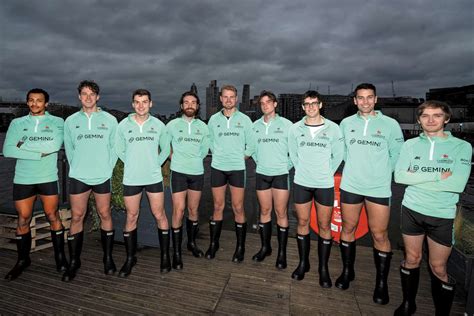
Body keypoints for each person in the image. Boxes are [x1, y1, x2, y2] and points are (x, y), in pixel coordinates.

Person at [394, 101, 472, 315]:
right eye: (425, 116)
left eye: (436, 115)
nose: (430, 120)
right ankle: (408, 304)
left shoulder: (462, 147)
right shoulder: (410, 145)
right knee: (412, 259)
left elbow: (457, 184)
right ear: (419, 120)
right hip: (411, 210)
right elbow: (399, 176)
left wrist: (415, 177)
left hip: (442, 214)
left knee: (438, 267)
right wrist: (437, 176)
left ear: (446, 119)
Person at [337, 83, 404, 304]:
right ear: (354, 101)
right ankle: (348, 272)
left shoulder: (390, 124)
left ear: (375, 99)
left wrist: (381, 172)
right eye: (360, 98)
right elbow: (343, 152)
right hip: (351, 185)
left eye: (369, 97)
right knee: (348, 228)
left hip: (378, 188)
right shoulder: (346, 124)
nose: (365, 101)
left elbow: (397, 155)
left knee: (380, 235)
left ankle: (381, 283)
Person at [3, 88, 67, 280]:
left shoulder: (57, 122)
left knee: (52, 215)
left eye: (39, 101)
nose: (34, 104)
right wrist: (38, 153)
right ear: (27, 102)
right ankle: (23, 260)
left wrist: (23, 146)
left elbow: (54, 146)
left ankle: (60, 257)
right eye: (31, 100)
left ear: (46, 103)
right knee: (23, 218)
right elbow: (7, 150)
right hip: (23, 178)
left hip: (47, 177)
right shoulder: (17, 123)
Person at [62, 80, 118, 281]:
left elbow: (114, 148)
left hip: (102, 176)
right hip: (79, 176)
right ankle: (74, 261)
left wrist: (107, 168)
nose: (88, 97)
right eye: (84, 94)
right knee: (77, 217)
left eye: (92, 94)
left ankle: (108, 258)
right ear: (79, 96)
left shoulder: (110, 120)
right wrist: (77, 166)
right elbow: (69, 149)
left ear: (98, 97)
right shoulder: (70, 121)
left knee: (105, 214)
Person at [288, 90, 344, 283]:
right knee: (302, 224)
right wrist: (303, 169)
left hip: (324, 184)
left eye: (314, 103)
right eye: (307, 104)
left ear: (321, 105)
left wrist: (326, 172)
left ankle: (323, 268)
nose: (311, 107)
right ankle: (303, 263)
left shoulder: (334, 129)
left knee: (324, 226)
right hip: (302, 182)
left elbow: (338, 155)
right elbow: (293, 154)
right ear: (303, 107)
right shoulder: (295, 129)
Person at [115, 89, 171, 276]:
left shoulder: (158, 125)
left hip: (153, 177)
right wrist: (130, 162)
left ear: (150, 104)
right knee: (131, 216)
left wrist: (156, 163)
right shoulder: (123, 125)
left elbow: (165, 148)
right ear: (132, 104)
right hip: (132, 178)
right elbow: (118, 148)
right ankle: (130, 258)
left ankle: (165, 256)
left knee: (159, 214)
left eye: (144, 102)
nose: (141, 105)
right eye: (137, 102)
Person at [206, 84, 255, 262]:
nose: (228, 100)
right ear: (220, 99)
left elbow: (252, 144)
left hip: (237, 169)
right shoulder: (213, 120)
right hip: (218, 167)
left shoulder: (245, 120)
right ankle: (213, 244)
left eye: (231, 97)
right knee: (218, 206)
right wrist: (218, 152)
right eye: (225, 97)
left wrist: (241, 157)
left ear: (236, 99)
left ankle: (240, 247)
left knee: (238, 207)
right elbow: (209, 141)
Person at [166, 91, 210, 269]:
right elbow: (163, 144)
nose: (190, 105)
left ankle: (191, 243)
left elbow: (204, 149)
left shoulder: (203, 127)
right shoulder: (172, 125)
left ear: (197, 106)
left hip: (197, 173)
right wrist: (173, 158)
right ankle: (176, 252)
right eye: (186, 102)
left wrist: (194, 160)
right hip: (178, 172)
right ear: (181, 106)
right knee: (178, 211)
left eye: (193, 102)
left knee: (193, 210)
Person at [251, 90, 292, 269]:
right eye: (262, 103)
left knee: (281, 213)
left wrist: (286, 166)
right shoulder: (255, 126)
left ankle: (282, 253)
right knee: (265, 211)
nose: (265, 105)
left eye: (268, 102)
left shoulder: (288, 125)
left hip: (281, 175)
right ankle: (265, 247)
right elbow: (251, 148)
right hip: (262, 174)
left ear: (275, 104)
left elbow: (295, 151)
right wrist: (259, 161)